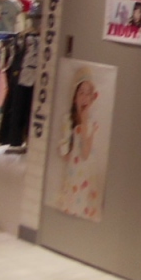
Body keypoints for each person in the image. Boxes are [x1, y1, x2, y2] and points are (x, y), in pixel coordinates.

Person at [56, 69, 102, 219]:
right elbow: (64, 154)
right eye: (81, 92)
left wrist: (84, 121)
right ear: (74, 96)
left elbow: (85, 153)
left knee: (84, 210)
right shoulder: (67, 120)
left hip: (87, 175)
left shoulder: (91, 123)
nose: (84, 98)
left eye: (88, 93)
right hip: (72, 175)